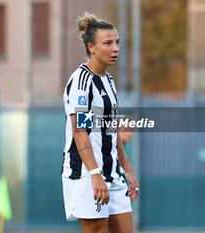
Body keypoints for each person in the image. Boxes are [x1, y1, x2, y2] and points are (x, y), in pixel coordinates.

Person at [61, 12, 140, 233]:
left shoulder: (108, 81)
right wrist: (95, 174)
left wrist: (128, 170)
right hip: (87, 176)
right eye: (108, 43)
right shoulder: (81, 82)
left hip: (112, 175)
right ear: (91, 47)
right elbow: (80, 132)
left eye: (117, 42)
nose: (116, 48)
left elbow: (111, 130)